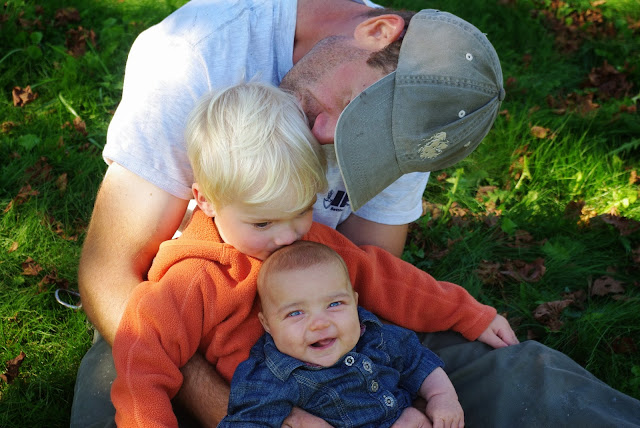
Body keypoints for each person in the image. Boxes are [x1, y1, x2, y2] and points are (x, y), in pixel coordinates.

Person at [74, 3, 508, 426]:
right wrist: (240, 412)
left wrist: (470, 314)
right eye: (352, 106)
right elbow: (114, 288)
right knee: (112, 387)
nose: (321, 135)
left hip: (332, 351)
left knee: (507, 376)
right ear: (377, 32)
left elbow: (383, 278)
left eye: (302, 210)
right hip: (197, 348)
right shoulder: (195, 52)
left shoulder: (320, 235)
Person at [219, 240, 464, 428]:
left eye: (334, 304)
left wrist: (442, 398)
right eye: (295, 313)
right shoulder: (270, 378)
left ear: (354, 302)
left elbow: (417, 361)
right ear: (267, 324)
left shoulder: (375, 337)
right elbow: (246, 421)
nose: (319, 324)